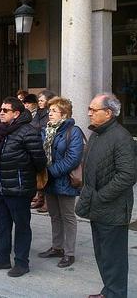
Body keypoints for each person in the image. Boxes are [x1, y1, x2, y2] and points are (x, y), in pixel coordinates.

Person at [75, 93, 136, 298]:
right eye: (89, 109)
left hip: (113, 208)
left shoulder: (121, 137)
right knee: (103, 255)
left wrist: (101, 197)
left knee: (114, 258)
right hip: (97, 206)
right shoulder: (97, 134)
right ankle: (108, 291)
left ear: (108, 113)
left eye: (94, 109)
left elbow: (127, 175)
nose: (89, 113)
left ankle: (116, 294)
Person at [0, 97, 46, 277]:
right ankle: (2, 258)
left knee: (22, 226)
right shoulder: (1, 130)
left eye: (5, 110)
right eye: (1, 109)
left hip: (19, 188)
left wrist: (23, 173)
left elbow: (39, 160)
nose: (1, 112)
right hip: (1, 186)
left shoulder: (28, 132)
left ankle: (21, 262)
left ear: (16, 114)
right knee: (3, 225)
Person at [38, 97, 83, 268]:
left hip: (65, 180)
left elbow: (73, 158)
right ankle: (57, 247)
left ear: (64, 114)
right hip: (48, 181)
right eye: (50, 111)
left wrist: (51, 172)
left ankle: (69, 252)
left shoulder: (74, 131)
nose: (49, 114)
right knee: (54, 215)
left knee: (68, 217)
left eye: (54, 111)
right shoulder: (46, 130)